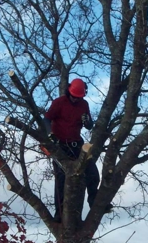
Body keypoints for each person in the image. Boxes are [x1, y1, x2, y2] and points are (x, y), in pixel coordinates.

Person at [43, 78, 112, 222]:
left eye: (78, 97)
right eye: (73, 96)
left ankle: (94, 202)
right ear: (69, 91)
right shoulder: (59, 102)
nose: (75, 99)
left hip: (76, 143)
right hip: (60, 144)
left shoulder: (84, 105)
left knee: (92, 172)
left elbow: (89, 125)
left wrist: (87, 122)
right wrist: (50, 134)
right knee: (61, 179)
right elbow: (46, 119)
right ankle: (60, 215)